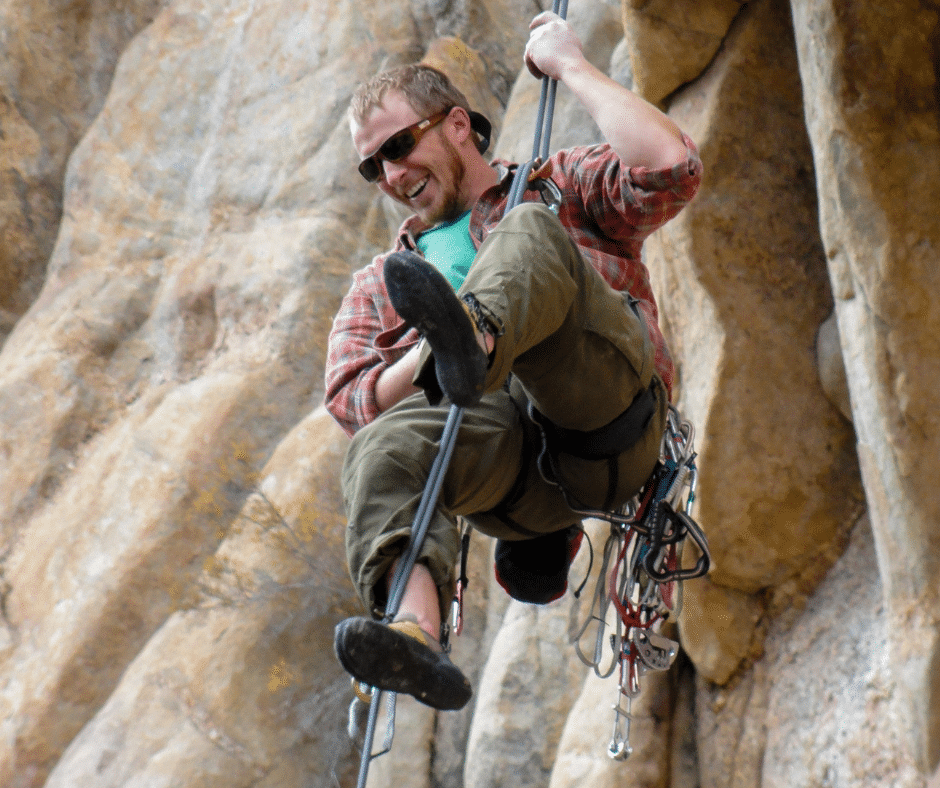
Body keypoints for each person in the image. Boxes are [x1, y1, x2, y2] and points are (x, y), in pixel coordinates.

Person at [325, 11, 702, 711]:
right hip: (515, 485)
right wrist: (429, 358)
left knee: (527, 230)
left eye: (401, 145)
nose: (392, 173)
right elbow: (351, 398)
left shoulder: (554, 187)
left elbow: (671, 168)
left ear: (457, 125)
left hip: (605, 424)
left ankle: (480, 339)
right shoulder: (385, 283)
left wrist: (570, 66)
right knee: (379, 448)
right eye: (372, 164)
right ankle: (413, 631)